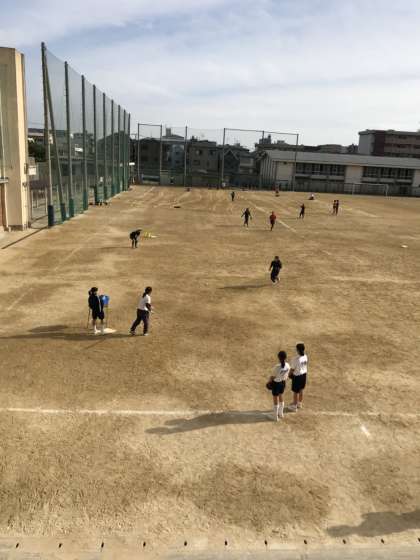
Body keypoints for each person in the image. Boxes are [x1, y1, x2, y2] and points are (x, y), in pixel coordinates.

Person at [268, 351, 290, 421]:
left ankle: (275, 416)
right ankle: (281, 413)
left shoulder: (277, 367)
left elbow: (272, 377)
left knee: (275, 398)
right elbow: (286, 374)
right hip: (283, 383)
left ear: (279, 357)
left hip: (276, 384)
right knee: (281, 396)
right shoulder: (287, 365)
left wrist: (269, 382)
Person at [288, 343, 308, 411]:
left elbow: (292, 369)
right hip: (304, 375)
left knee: (295, 392)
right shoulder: (305, 356)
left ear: (298, 350)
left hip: (297, 377)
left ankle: (294, 406)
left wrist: (289, 375)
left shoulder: (295, 359)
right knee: (301, 389)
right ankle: (299, 403)